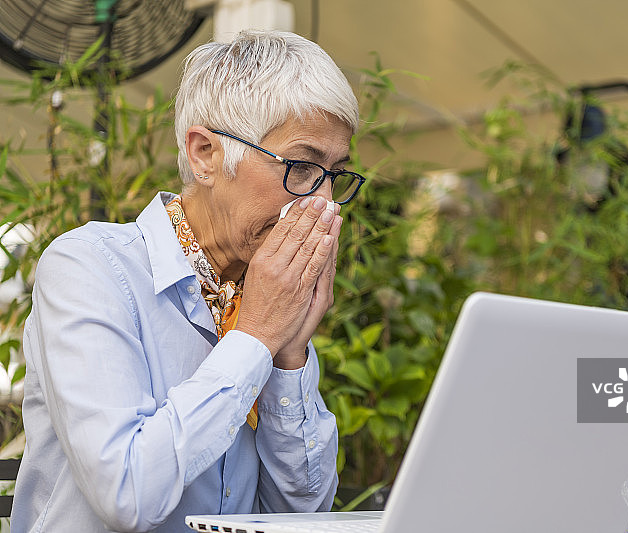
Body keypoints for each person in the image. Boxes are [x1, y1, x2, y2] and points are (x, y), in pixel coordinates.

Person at [10, 29, 365, 532]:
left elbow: (303, 517)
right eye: (303, 166)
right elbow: (127, 496)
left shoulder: (266, 296)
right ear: (205, 154)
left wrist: (288, 357)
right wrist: (257, 339)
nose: (324, 201)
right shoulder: (88, 267)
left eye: (336, 174)